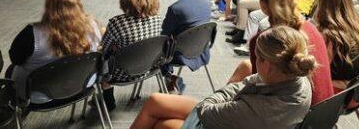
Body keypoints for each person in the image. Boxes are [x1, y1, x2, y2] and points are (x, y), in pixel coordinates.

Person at [131, 26, 316, 129]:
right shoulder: (296, 77)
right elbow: (247, 82)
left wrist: (218, 98)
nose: (253, 63)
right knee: (156, 101)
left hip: (226, 117)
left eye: (256, 58)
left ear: (267, 64)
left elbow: (207, 110)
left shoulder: (261, 111)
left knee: (165, 125)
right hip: (235, 115)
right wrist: (223, 97)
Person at [231, 0, 334, 106]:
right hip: (327, 108)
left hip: (296, 115)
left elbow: (260, 86)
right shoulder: (311, 28)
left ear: (262, 5)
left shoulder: (264, 40)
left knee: (243, 70)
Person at [8, 0, 102, 102]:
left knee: (11, 70)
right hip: (82, 85)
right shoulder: (93, 25)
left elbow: (16, 59)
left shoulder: (32, 34)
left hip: (39, 95)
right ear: (78, 2)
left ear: (49, 3)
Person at [100, 0, 162, 111]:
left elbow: (103, 51)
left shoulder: (117, 23)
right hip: (147, 67)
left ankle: (108, 101)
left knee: (100, 65)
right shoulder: (158, 19)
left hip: (121, 73)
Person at [161, 0, 211, 92]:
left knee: (159, 48)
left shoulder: (176, 8)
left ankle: (169, 77)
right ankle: (171, 80)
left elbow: (164, 36)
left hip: (182, 54)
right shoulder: (207, 2)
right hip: (202, 50)